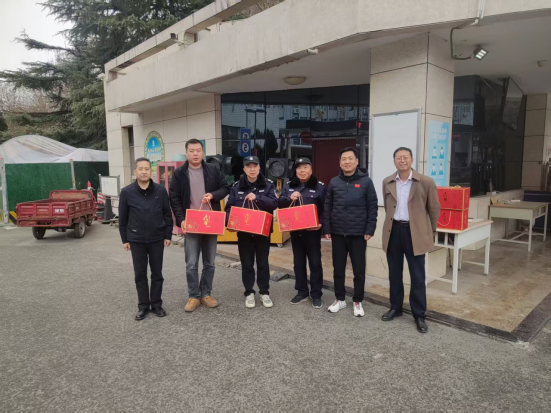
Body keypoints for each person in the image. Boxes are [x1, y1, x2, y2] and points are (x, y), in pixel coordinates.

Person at [381, 147, 441, 333]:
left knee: (417, 276)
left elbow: (434, 208)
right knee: (394, 273)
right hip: (394, 231)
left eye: (405, 157)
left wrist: (429, 231)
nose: (402, 160)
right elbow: (388, 207)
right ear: (394, 161)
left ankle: (419, 314)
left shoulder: (425, 182)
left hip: (415, 233)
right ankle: (395, 307)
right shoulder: (387, 181)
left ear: (412, 160)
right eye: (398, 158)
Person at [169, 139, 230, 313]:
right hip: (192, 223)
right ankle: (194, 295)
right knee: (191, 262)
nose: (195, 153)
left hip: (211, 222)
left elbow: (226, 187)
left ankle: (206, 293)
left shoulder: (213, 169)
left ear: (203, 152)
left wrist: (213, 195)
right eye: (191, 151)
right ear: (186, 153)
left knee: (210, 262)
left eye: (198, 150)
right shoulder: (179, 173)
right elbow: (174, 197)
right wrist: (181, 219)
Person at [323, 147, 378, 317]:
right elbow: (327, 206)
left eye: (350, 158)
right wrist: (327, 228)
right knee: (338, 269)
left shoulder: (366, 182)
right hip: (338, 233)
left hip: (358, 233)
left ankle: (357, 300)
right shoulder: (334, 182)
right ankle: (339, 299)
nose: (347, 162)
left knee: (358, 270)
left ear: (356, 161)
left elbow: (372, 207)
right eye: (344, 159)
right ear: (340, 163)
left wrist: (370, 229)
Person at [118, 157, 173, 320]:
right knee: (140, 274)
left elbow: (167, 214)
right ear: (135, 171)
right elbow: (123, 218)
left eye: (147, 169)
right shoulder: (127, 192)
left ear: (151, 171)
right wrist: (125, 239)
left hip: (157, 238)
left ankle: (156, 305)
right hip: (136, 239)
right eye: (140, 169)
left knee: (157, 274)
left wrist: (167, 235)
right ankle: (143, 306)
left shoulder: (160, 191)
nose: (144, 172)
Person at [225, 156, 278, 309]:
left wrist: (258, 198)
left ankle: (264, 292)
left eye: (255, 166)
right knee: (247, 264)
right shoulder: (236, 187)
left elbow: (274, 203)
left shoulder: (268, 185)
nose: (252, 169)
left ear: (259, 168)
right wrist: (230, 222)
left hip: (263, 232)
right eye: (249, 166)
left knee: (262, 263)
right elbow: (229, 208)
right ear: (244, 169)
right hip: (244, 232)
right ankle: (249, 292)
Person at [278, 157, 326, 309]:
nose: (302, 171)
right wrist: (289, 198)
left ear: (311, 170)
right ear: (296, 171)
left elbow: (326, 209)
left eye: (305, 167)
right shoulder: (289, 186)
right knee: (298, 263)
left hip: (312, 232)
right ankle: (302, 291)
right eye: (299, 168)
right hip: (295, 231)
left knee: (315, 263)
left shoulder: (320, 187)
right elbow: (280, 203)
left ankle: (316, 294)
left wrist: (321, 224)